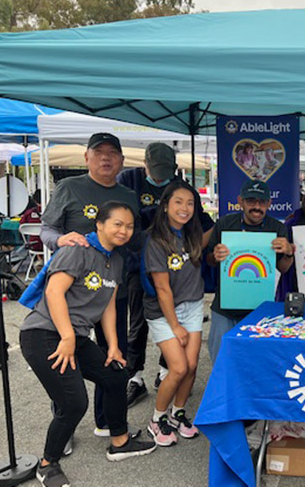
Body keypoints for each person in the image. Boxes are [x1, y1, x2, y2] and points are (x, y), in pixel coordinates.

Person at [21, 202, 156, 487]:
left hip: (76, 337)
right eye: (117, 224)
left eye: (129, 226)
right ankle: (47, 464)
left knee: (117, 374)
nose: (124, 230)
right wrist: (68, 337)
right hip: (44, 334)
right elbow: (54, 292)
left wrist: (114, 346)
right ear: (100, 224)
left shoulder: (116, 260)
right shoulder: (76, 250)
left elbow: (108, 305)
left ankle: (119, 440)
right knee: (74, 403)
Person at [40, 132, 140, 442]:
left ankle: (107, 422)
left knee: (113, 357)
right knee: (65, 355)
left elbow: (135, 240)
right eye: (99, 152)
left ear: (122, 161)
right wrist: (60, 240)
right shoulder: (69, 187)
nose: (106, 158)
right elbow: (46, 228)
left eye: (113, 153)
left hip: (112, 291)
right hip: (74, 297)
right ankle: (64, 425)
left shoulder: (129, 195)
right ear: (87, 157)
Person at [118, 142, 214, 407]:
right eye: (155, 170)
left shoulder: (183, 188)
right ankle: (134, 377)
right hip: (141, 265)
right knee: (137, 324)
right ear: (145, 164)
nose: (159, 176)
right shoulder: (129, 179)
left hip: (177, 270)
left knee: (178, 334)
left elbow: (204, 224)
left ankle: (166, 372)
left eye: (165, 171)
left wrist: (197, 245)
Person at [142, 182, 204, 446]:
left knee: (191, 367)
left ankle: (178, 412)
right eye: (178, 202)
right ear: (166, 205)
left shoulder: (191, 235)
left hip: (193, 306)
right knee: (177, 368)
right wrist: (175, 325)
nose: (184, 208)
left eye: (190, 203)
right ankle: (157, 418)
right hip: (164, 312)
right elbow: (162, 288)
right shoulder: (156, 240)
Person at [205, 180, 294, 361]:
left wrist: (289, 252)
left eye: (262, 202)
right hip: (224, 309)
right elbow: (209, 261)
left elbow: (283, 268)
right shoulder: (224, 224)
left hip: (260, 310)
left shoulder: (278, 228)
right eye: (251, 201)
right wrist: (215, 255)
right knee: (220, 359)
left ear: (269, 203)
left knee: (255, 361)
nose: (257, 207)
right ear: (240, 201)